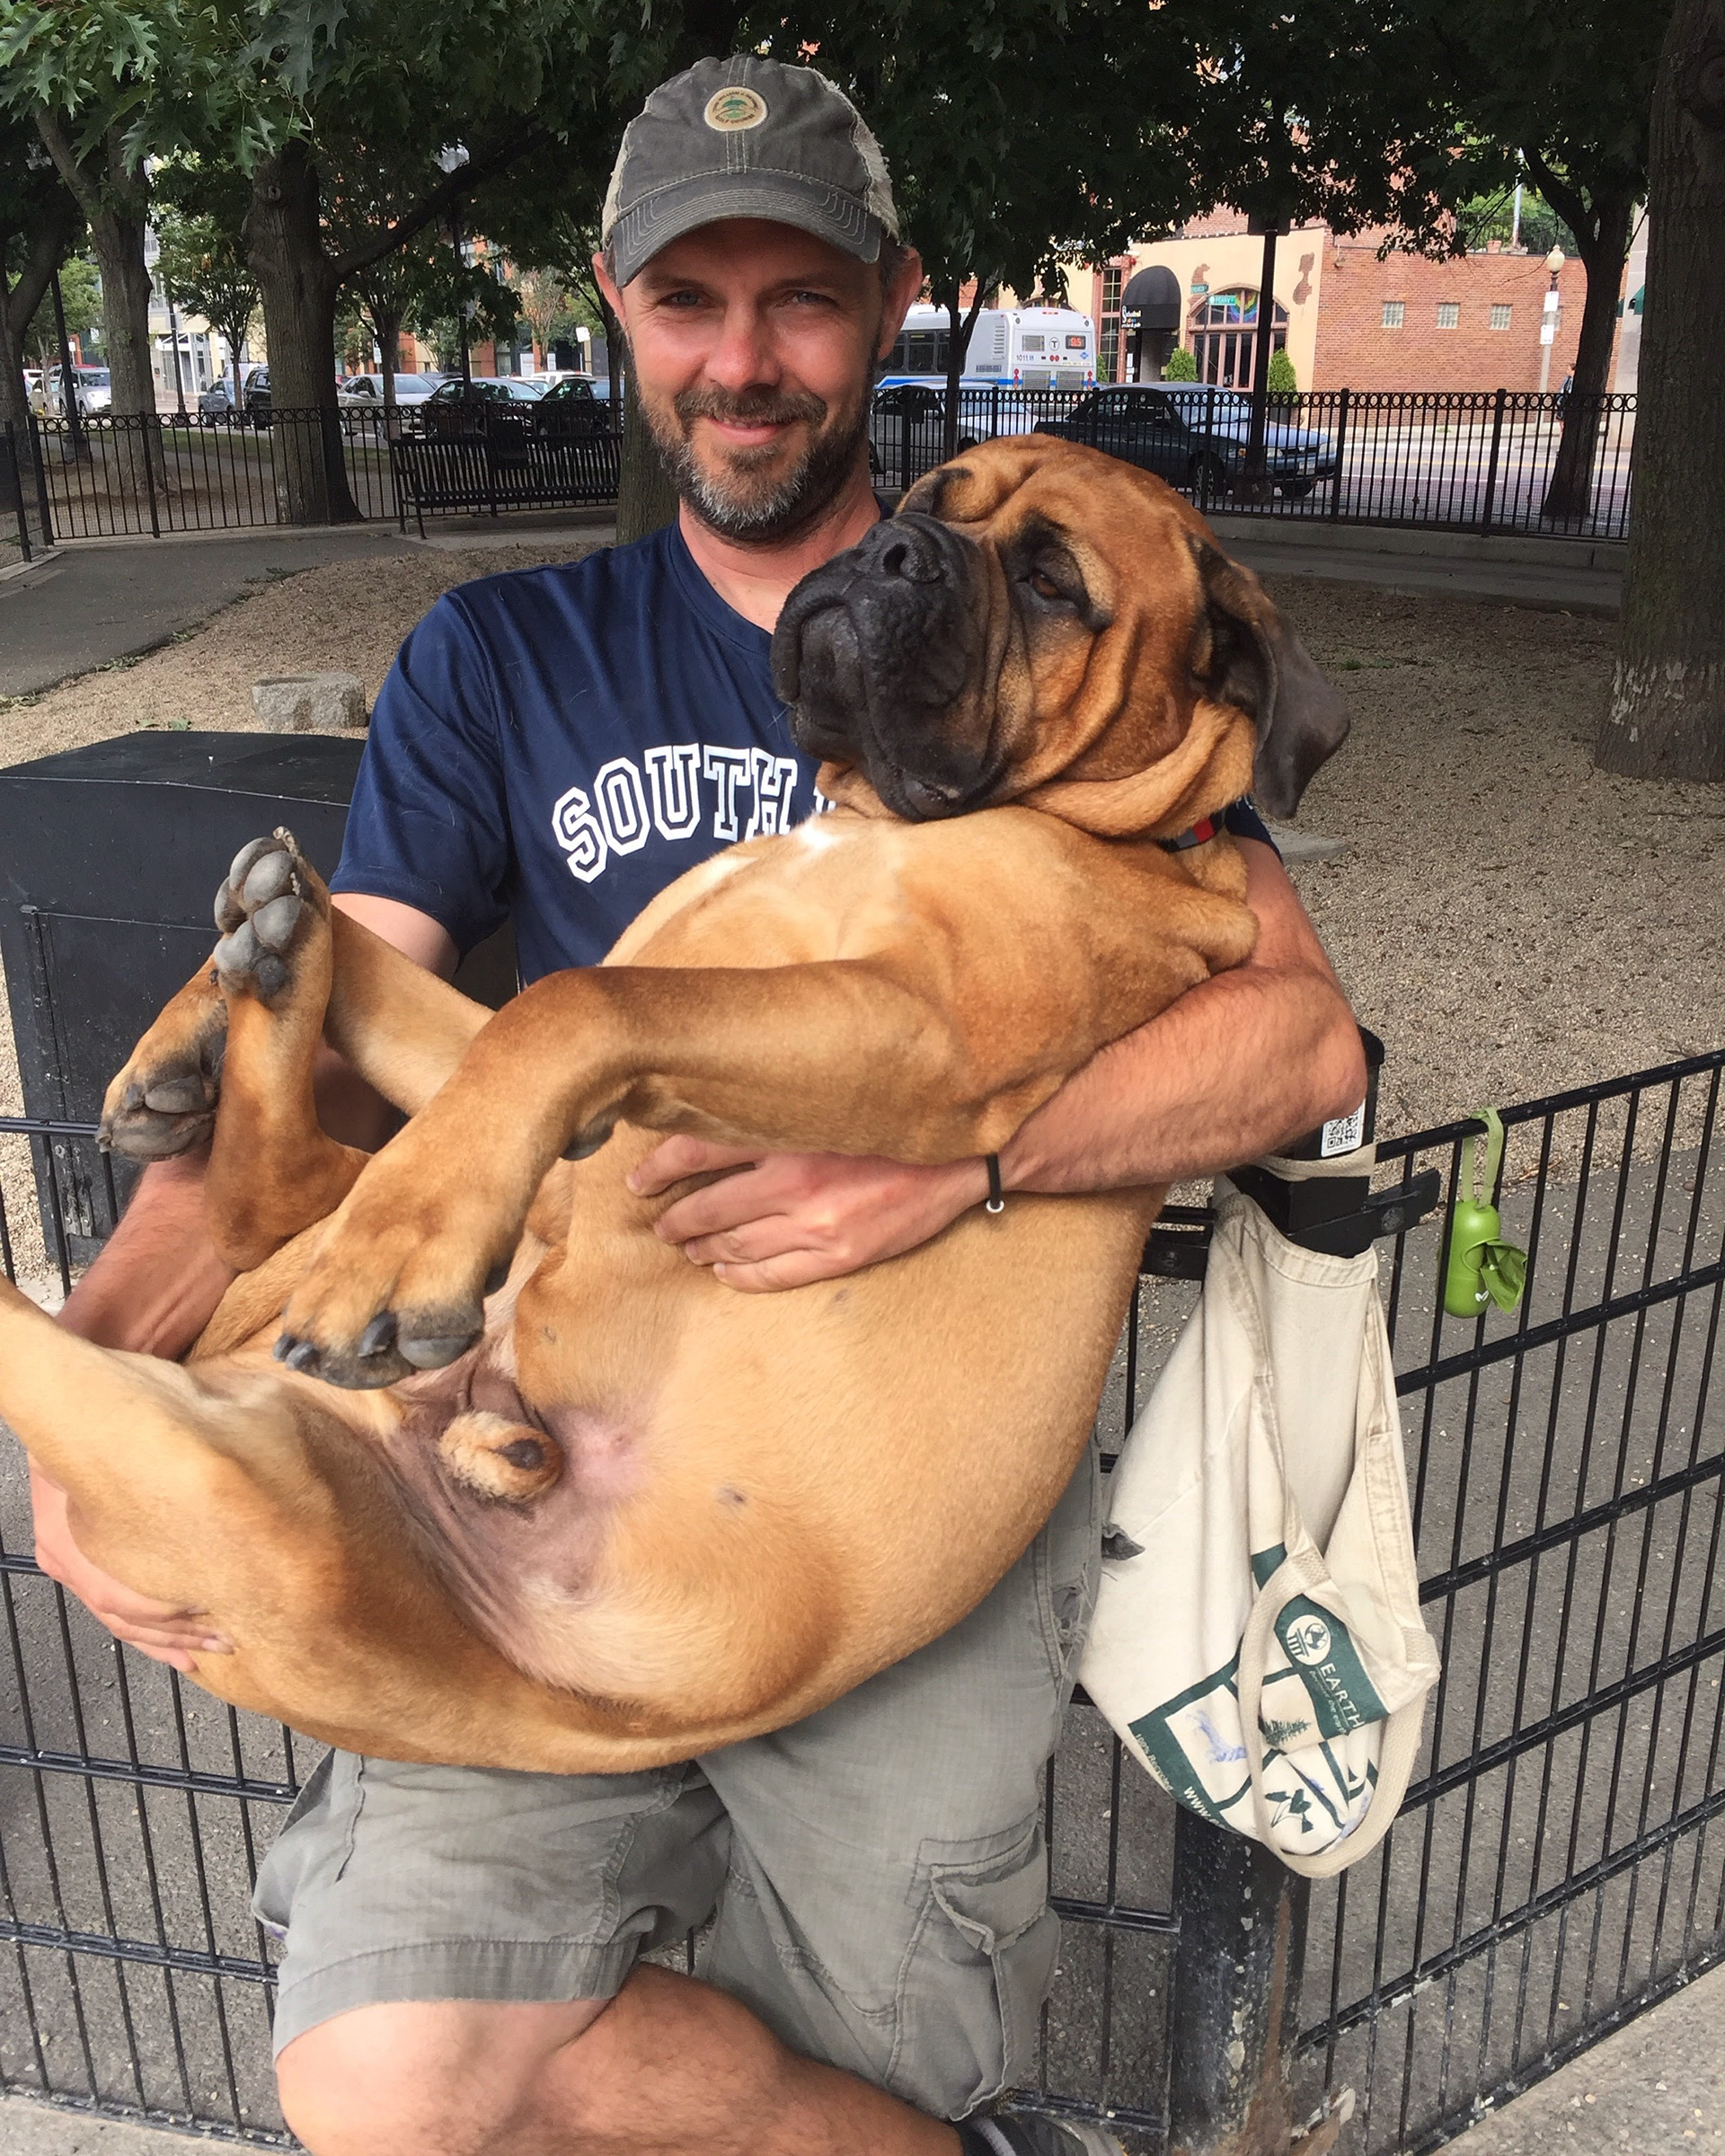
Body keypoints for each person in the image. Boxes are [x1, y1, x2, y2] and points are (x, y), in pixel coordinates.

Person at [31, 57, 1365, 2156]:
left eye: (802, 302)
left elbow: (1306, 1044)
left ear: (892, 305)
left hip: (857, 1510)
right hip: (522, 1419)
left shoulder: (1112, 808)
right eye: (692, 302)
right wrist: (96, 1400)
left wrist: (965, 1158)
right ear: (620, 310)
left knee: (887, 2046)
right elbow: (292, 1033)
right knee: (389, 2084)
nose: (745, 362)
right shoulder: (505, 656)